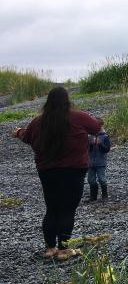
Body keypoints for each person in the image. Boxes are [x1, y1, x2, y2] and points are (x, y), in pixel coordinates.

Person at [12, 86, 102, 260]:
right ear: (67, 100)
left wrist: (18, 132)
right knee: (68, 209)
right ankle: (63, 250)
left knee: (52, 208)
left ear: (48, 102)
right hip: (74, 170)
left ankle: (50, 248)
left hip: (47, 171)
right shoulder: (78, 117)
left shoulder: (38, 121)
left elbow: (27, 137)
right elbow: (96, 127)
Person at [86, 118, 111, 202]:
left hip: (101, 162)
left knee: (102, 179)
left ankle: (105, 196)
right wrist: (92, 145)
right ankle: (93, 197)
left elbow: (107, 149)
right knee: (90, 180)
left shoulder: (105, 136)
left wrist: (100, 145)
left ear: (101, 126)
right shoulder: (89, 136)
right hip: (90, 162)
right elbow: (86, 149)